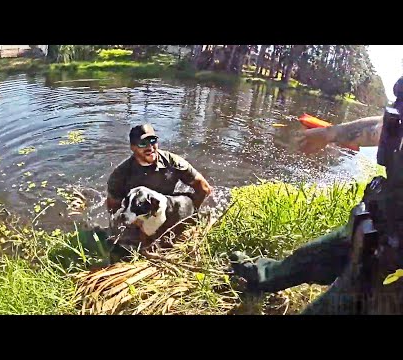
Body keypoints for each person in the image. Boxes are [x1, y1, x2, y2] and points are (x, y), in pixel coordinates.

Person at [231, 76, 403, 314]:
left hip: (393, 263)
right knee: (310, 257)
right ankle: (263, 276)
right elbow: (387, 127)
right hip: (378, 218)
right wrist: (330, 134)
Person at [106, 124, 213, 252]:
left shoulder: (173, 162)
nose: (150, 147)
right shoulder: (120, 174)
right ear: (133, 147)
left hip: (168, 207)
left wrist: (190, 215)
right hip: (139, 214)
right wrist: (136, 222)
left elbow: (204, 188)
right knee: (124, 244)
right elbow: (113, 209)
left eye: (153, 141)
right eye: (143, 143)